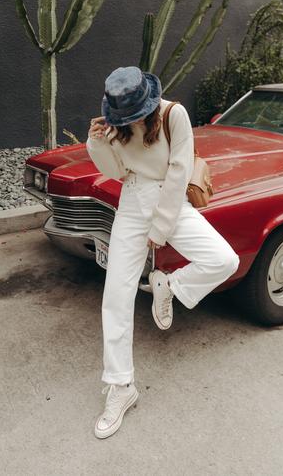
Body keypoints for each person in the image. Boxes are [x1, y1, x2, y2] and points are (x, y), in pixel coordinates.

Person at [86, 66, 240, 439]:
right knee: (116, 298)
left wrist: (160, 228)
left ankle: (169, 286)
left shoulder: (174, 114)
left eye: (134, 113)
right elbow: (116, 172)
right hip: (132, 200)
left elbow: (179, 169)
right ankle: (122, 387)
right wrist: (99, 144)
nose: (130, 120)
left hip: (169, 200)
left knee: (224, 259)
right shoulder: (116, 122)